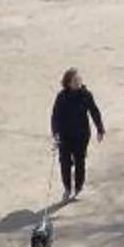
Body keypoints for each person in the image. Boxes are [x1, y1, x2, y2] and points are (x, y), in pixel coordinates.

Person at [51, 67, 106, 199]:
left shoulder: (86, 95)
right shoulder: (61, 97)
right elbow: (55, 116)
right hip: (65, 135)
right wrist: (56, 133)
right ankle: (67, 188)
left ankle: (78, 186)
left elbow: (94, 112)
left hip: (81, 135)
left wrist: (100, 129)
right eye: (75, 80)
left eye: (79, 79)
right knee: (64, 162)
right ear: (68, 83)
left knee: (80, 161)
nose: (78, 82)